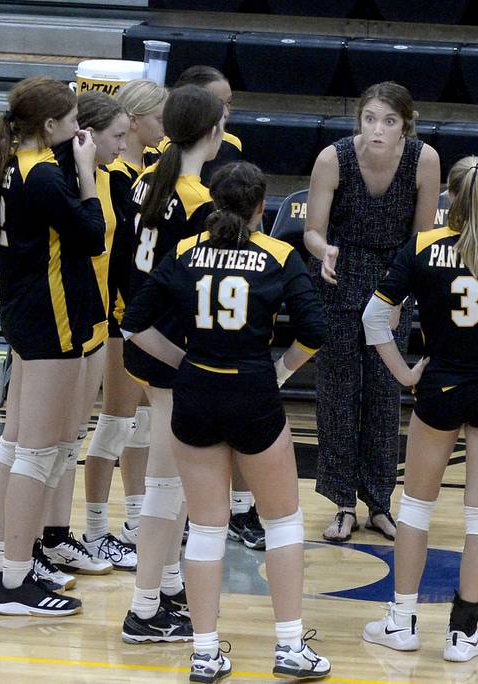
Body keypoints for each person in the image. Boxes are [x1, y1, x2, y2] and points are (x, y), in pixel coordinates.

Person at [121, 161, 331, 682]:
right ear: (263, 208)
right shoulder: (280, 255)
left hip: (196, 393)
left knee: (208, 529)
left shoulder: (186, 252)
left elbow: (133, 324)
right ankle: (288, 649)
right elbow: (316, 330)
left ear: (214, 205)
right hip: (253, 392)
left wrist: (181, 362)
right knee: (282, 524)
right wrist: (280, 371)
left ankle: (206, 653)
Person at [360, 156, 478, 661]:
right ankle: (462, 635)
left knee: (417, 510)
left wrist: (405, 373)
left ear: (448, 197)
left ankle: (401, 622)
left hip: (438, 387)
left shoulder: (421, 247)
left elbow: (374, 318)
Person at [0, 76, 106, 616]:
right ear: (49, 126)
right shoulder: (44, 175)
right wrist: (88, 177)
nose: (78, 130)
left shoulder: (3, 165)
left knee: (14, 444)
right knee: (36, 453)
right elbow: (92, 235)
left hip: (21, 313)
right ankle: (16, 582)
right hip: (52, 319)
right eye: (72, 122)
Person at [304, 81, 441, 542]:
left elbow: (421, 241)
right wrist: (324, 250)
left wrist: (403, 297)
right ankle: (343, 502)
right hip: (340, 274)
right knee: (339, 391)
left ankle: (380, 502)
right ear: (358, 120)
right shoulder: (333, 158)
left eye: (388, 120)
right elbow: (312, 232)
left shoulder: (425, 159)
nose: (377, 129)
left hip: (393, 279)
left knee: (385, 392)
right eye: (369, 119)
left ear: (406, 125)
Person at [118, 84, 225, 644]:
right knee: (166, 487)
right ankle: (144, 609)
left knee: (172, 482)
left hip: (143, 341)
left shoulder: (144, 182)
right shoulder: (198, 203)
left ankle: (166, 581)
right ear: (212, 134)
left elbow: (124, 265)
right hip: (169, 348)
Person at [38, 91, 137, 576]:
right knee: (43, 443)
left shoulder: (98, 176)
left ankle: (56, 536)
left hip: (96, 317)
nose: (123, 145)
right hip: (58, 318)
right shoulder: (56, 177)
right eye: (116, 135)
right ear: (85, 134)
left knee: (68, 439)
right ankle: (25, 547)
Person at [172, 66, 264, 549]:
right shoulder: (173, 176)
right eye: (219, 103)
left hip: (219, 306)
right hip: (192, 314)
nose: (227, 112)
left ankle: (241, 512)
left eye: (230, 102)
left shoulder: (232, 153)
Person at [80, 80, 168, 566]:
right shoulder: (110, 175)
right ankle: (94, 531)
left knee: (142, 424)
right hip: (115, 315)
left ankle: (134, 522)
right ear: (134, 122)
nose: (165, 127)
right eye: (158, 118)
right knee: (114, 425)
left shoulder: (149, 172)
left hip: (139, 313)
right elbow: (112, 253)